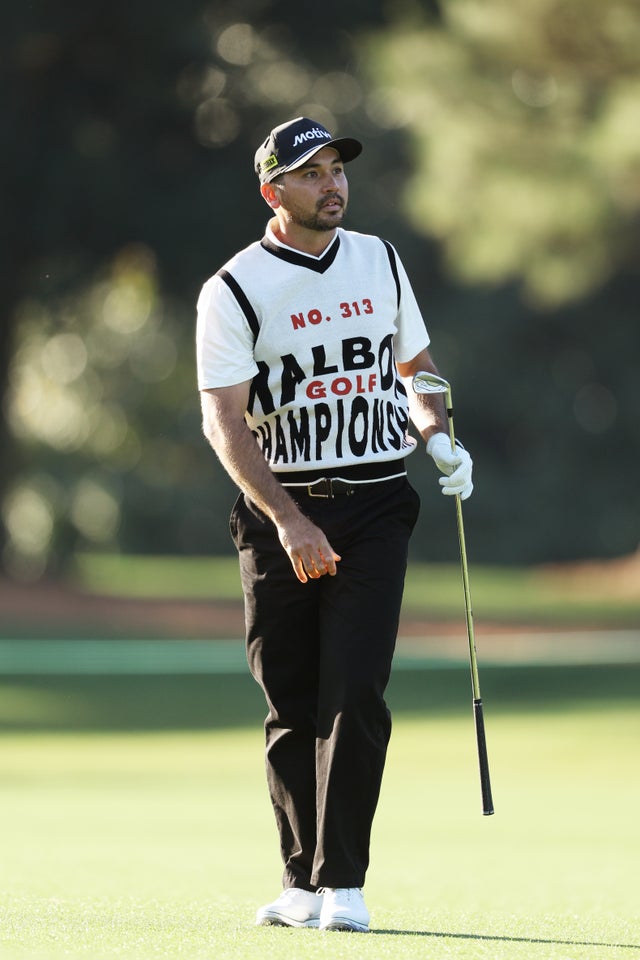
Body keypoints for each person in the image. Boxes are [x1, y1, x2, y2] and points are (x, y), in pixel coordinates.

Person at [196, 116, 473, 933]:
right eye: (312, 174)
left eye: (338, 171)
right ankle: (300, 882)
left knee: (355, 689)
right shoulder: (235, 289)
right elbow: (226, 422)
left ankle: (342, 882)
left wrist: (437, 436)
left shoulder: (379, 258)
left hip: (377, 501)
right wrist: (285, 519)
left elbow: (414, 366)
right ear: (271, 192)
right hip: (280, 510)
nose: (333, 185)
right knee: (290, 699)